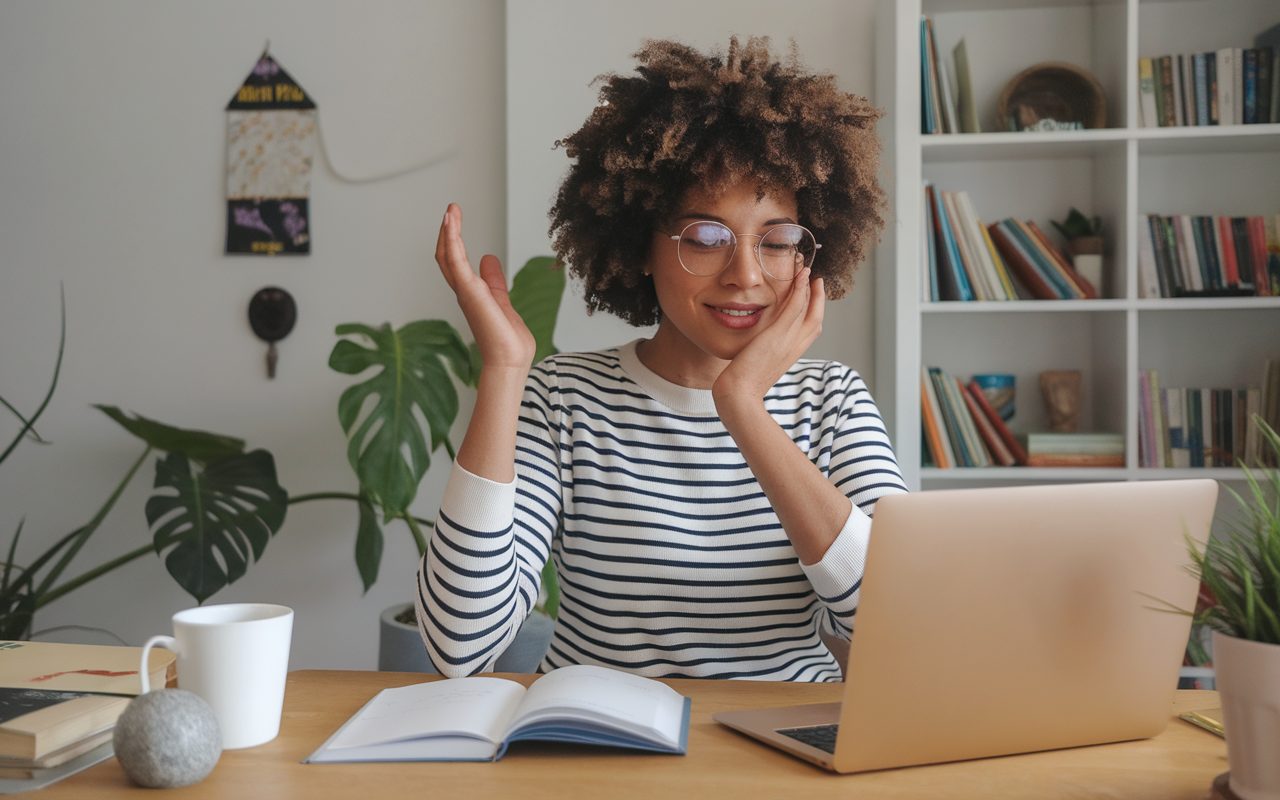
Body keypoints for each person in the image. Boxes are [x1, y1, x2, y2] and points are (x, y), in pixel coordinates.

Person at [416, 36, 906, 682]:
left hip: (785, 758)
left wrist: (743, 406)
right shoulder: (563, 398)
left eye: (778, 241)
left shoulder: (833, 401)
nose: (746, 276)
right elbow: (458, 646)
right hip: (597, 752)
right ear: (641, 245)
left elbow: (898, 621)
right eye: (706, 237)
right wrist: (506, 373)